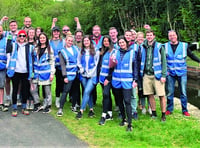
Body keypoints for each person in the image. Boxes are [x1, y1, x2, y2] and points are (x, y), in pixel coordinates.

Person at [165, 30, 200, 116]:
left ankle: (184, 110)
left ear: (176, 36)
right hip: (170, 73)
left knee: (183, 92)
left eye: (173, 35)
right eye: (170, 36)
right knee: (170, 92)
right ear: (168, 37)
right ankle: (169, 109)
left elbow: (191, 55)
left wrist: (199, 61)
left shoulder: (184, 46)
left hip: (182, 73)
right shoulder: (165, 46)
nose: (172, 37)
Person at [112, 36, 138, 131]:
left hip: (127, 81)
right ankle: (123, 119)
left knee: (127, 101)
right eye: (120, 43)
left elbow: (135, 67)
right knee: (119, 102)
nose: (121, 44)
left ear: (126, 43)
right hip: (116, 81)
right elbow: (111, 66)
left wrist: (135, 79)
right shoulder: (115, 52)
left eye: (123, 42)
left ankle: (130, 124)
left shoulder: (132, 53)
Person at [140, 30, 167, 122]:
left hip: (157, 75)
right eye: (147, 35)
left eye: (151, 35)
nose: (149, 37)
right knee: (150, 94)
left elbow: (164, 61)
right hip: (146, 74)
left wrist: (163, 75)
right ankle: (154, 113)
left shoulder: (160, 46)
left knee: (161, 95)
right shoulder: (143, 46)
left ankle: (163, 114)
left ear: (154, 36)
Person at [7, 30, 33, 117]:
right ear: (17, 37)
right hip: (16, 71)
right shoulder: (14, 45)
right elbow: (8, 49)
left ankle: (24, 106)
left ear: (26, 37)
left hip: (25, 71)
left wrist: (32, 71)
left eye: (23, 36)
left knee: (25, 89)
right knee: (15, 89)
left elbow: (33, 59)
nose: (22, 37)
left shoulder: (30, 47)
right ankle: (14, 108)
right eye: (20, 36)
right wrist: (9, 39)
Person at [76, 35, 100, 119]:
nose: (86, 42)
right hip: (83, 75)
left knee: (86, 91)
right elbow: (78, 61)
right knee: (87, 92)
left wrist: (91, 72)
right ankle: (91, 109)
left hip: (92, 75)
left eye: (87, 40)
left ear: (90, 41)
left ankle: (81, 111)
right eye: (84, 41)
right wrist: (81, 69)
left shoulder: (95, 51)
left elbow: (97, 64)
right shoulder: (81, 51)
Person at [30, 32, 55, 113]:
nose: (42, 39)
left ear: (46, 39)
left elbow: (52, 62)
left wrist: (52, 73)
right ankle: (37, 104)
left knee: (47, 91)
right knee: (33, 89)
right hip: (36, 73)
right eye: (41, 38)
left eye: (44, 38)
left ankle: (48, 105)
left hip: (46, 73)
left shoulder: (49, 49)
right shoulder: (35, 48)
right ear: (39, 39)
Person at [56, 35, 79, 117]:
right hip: (68, 74)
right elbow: (62, 65)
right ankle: (60, 109)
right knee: (66, 91)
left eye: (71, 41)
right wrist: (64, 76)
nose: (70, 42)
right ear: (65, 41)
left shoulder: (76, 49)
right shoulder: (62, 51)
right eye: (69, 40)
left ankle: (73, 106)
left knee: (76, 90)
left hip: (77, 73)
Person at [98, 35, 115, 125]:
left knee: (105, 94)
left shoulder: (113, 52)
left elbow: (113, 67)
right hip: (102, 77)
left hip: (108, 78)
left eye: (107, 41)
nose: (106, 42)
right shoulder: (103, 52)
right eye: (104, 41)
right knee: (107, 95)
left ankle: (103, 115)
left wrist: (108, 78)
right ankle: (110, 114)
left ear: (110, 42)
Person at [136, 32, 152, 115]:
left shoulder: (146, 47)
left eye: (142, 37)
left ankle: (150, 107)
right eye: (139, 37)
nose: (140, 39)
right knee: (141, 90)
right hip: (137, 72)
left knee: (148, 90)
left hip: (145, 71)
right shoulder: (134, 47)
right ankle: (143, 106)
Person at [49, 26, 64, 109]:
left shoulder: (63, 42)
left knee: (59, 83)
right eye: (54, 31)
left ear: (59, 32)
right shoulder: (49, 41)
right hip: (51, 65)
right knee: (48, 83)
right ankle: (47, 99)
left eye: (57, 31)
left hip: (60, 66)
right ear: (52, 33)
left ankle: (58, 99)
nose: (56, 33)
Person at [0, 26, 8, 112]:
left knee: (1, 85)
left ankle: (1, 103)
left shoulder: (5, 40)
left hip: (2, 66)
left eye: (0, 31)